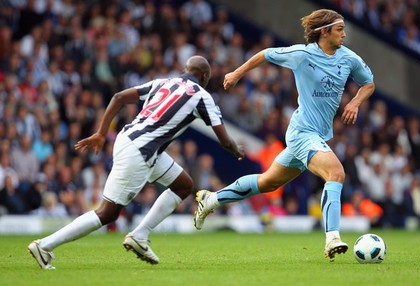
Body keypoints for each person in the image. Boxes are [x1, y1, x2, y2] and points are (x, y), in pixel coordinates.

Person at [28, 55, 244, 270]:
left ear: (185, 69)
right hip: (141, 150)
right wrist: (237, 150)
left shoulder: (164, 82)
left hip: (130, 140)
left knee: (183, 185)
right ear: (205, 76)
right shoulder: (202, 96)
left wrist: (102, 133)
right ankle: (45, 245)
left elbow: (119, 96)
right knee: (107, 213)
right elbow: (225, 140)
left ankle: (140, 235)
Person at [193, 9, 375, 261]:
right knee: (336, 173)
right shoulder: (301, 54)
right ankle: (332, 237)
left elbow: (369, 83)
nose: (344, 34)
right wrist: (236, 74)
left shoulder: (349, 58)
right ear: (324, 32)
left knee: (268, 182)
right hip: (302, 132)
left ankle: (211, 199)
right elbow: (265, 54)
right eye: (339, 29)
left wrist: (355, 102)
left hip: (318, 135)